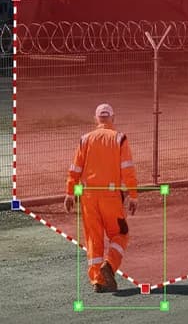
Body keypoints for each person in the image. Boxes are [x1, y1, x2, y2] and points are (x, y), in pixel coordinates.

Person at [64, 103, 139, 293]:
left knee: (93, 239)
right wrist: (133, 195)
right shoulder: (119, 138)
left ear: (96, 119)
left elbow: (75, 169)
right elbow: (127, 170)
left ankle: (97, 280)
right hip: (111, 197)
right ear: (113, 118)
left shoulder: (85, 139)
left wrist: (70, 192)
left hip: (88, 197)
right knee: (120, 234)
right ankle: (110, 265)